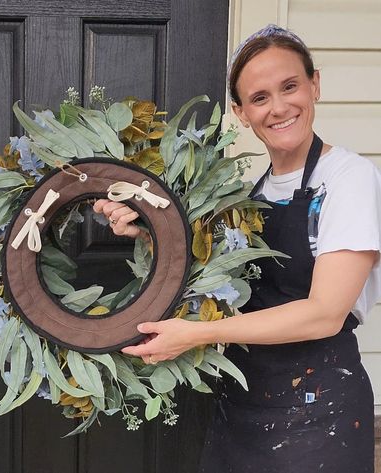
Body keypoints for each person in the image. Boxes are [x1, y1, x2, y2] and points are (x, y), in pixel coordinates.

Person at [93, 25, 381, 472]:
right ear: (241, 112)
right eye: (260, 97)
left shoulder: (349, 179)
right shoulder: (250, 193)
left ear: (315, 84)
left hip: (319, 412)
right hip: (243, 408)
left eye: (290, 86)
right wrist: (146, 232)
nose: (279, 107)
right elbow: (218, 277)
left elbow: (326, 311)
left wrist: (196, 334)